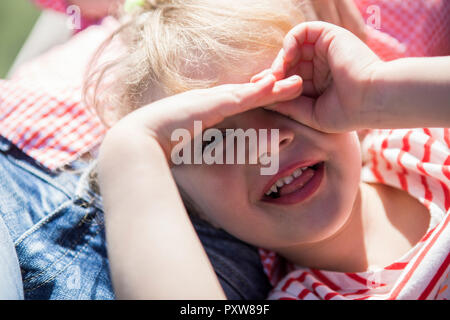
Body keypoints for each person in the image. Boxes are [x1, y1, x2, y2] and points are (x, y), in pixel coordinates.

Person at [93, 5, 450, 300]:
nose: (266, 144)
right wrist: (130, 148)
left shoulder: (424, 137)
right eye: (212, 142)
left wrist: (375, 93)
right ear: (196, 211)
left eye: (284, 96)